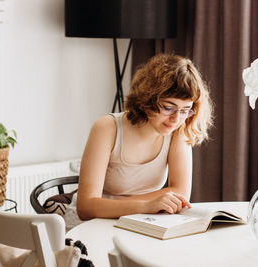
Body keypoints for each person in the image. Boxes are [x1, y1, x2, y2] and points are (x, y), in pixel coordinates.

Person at [64, 54, 213, 231]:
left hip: (140, 222)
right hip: (89, 227)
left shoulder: (178, 131)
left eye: (185, 110)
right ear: (147, 98)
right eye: (168, 107)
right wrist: (147, 204)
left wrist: (117, 205)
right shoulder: (107, 128)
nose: (176, 119)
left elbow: (180, 193)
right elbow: (86, 207)